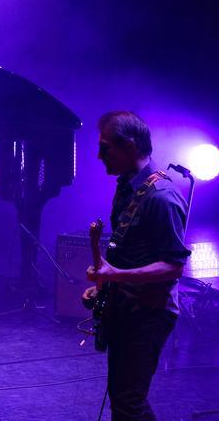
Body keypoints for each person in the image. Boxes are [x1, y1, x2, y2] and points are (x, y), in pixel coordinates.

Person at [83, 111, 191, 420]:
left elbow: (173, 267)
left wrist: (116, 275)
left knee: (129, 401)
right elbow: (130, 254)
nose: (99, 155)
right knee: (124, 399)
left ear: (129, 146)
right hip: (127, 308)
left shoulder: (162, 197)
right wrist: (104, 286)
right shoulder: (128, 186)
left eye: (106, 148)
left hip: (149, 315)